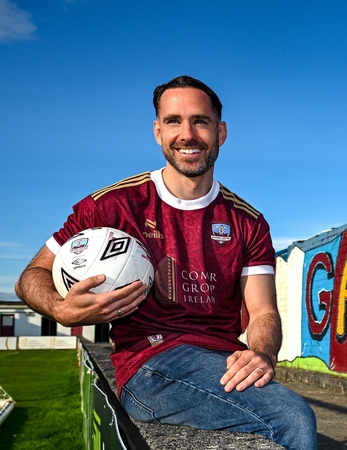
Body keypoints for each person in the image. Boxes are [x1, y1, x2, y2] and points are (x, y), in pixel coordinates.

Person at [15, 75, 317, 450]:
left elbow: (263, 314)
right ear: (158, 132)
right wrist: (61, 309)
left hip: (221, 360)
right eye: (174, 121)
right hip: (151, 363)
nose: (187, 134)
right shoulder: (113, 206)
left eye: (200, 121)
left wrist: (262, 353)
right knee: (290, 418)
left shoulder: (247, 222)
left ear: (221, 132)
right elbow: (31, 276)